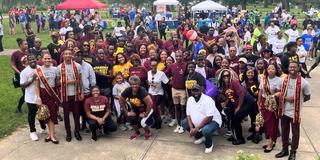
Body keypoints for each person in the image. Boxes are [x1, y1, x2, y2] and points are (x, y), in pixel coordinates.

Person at [275, 62, 311, 160]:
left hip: (296, 112)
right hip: (284, 110)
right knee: (284, 132)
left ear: (298, 68)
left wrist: (297, 100)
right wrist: (286, 98)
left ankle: (293, 152)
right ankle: (284, 150)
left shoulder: (304, 83)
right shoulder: (282, 80)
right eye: (290, 66)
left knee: (295, 133)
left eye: (294, 67)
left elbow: (307, 97)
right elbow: (278, 93)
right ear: (288, 68)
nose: (292, 68)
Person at [181, 84, 222, 153]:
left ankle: (209, 144)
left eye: (197, 90)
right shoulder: (190, 99)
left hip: (213, 121)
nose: (195, 92)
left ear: (201, 90)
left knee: (206, 130)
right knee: (184, 123)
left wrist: (196, 128)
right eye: (193, 90)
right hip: (199, 123)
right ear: (191, 92)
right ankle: (201, 137)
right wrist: (191, 128)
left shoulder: (208, 100)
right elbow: (188, 115)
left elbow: (209, 117)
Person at [56, 49, 84, 142]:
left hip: (75, 94)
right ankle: (68, 132)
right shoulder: (59, 67)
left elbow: (80, 80)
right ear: (63, 55)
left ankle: (77, 131)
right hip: (65, 95)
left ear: (72, 55)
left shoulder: (77, 66)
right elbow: (57, 82)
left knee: (76, 114)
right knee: (66, 115)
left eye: (69, 54)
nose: (68, 55)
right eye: (66, 54)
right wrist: (68, 82)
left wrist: (82, 92)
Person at [20, 54, 46, 141]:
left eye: (33, 59)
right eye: (30, 59)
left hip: (41, 95)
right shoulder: (24, 72)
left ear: (36, 59)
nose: (32, 61)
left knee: (41, 112)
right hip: (30, 97)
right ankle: (32, 131)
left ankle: (43, 127)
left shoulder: (40, 68)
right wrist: (32, 79)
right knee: (32, 114)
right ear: (27, 61)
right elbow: (22, 85)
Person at [35, 52, 60, 144]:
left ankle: (52, 135)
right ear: (42, 59)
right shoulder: (39, 70)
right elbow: (37, 86)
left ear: (51, 59)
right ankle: (51, 134)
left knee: (53, 113)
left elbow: (57, 83)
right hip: (43, 94)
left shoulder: (55, 69)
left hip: (52, 93)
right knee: (46, 114)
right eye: (45, 58)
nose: (47, 60)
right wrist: (38, 97)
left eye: (48, 58)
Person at [119, 76, 154, 140]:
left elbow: (150, 103)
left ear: (139, 84)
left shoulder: (142, 91)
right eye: (132, 84)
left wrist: (146, 114)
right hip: (136, 109)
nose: (134, 86)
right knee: (131, 118)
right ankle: (137, 132)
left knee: (142, 121)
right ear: (130, 84)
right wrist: (127, 112)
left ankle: (147, 131)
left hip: (146, 109)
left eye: (136, 84)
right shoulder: (128, 90)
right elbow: (120, 100)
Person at [258, 64, 282, 153]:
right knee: (266, 123)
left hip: (273, 103)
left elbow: (280, 92)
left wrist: (274, 95)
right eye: (269, 69)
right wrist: (259, 102)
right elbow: (260, 91)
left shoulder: (279, 80)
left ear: (276, 70)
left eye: (273, 69)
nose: (270, 70)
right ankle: (271, 140)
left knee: (272, 123)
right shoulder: (263, 79)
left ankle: (270, 144)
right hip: (264, 102)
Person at [164, 50, 187, 133]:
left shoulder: (185, 65)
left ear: (183, 56)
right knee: (176, 107)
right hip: (174, 89)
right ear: (175, 57)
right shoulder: (172, 66)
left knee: (182, 108)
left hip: (183, 90)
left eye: (180, 56)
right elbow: (165, 74)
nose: (178, 58)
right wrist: (169, 82)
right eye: (177, 56)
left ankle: (183, 126)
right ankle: (178, 124)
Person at [74, 52, 96, 132]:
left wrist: (91, 88)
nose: (79, 57)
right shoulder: (72, 65)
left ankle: (84, 125)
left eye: (80, 55)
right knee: (76, 110)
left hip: (86, 92)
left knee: (85, 110)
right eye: (77, 55)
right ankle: (77, 126)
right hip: (75, 92)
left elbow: (92, 78)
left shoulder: (88, 66)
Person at [147, 58, 169, 129]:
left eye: (155, 65)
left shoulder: (161, 74)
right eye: (152, 65)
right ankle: (156, 122)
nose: (153, 67)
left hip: (159, 93)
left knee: (154, 107)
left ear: (157, 65)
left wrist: (166, 93)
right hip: (150, 92)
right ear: (150, 66)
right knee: (152, 108)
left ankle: (159, 121)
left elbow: (166, 83)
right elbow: (148, 82)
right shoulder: (148, 73)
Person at [12, 38, 28, 113]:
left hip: (28, 75)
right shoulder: (15, 54)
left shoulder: (28, 53)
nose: (27, 45)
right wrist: (19, 73)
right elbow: (12, 65)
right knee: (25, 93)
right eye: (25, 44)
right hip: (21, 76)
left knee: (28, 92)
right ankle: (18, 108)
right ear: (20, 45)